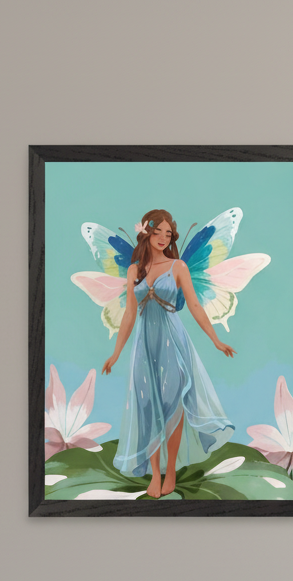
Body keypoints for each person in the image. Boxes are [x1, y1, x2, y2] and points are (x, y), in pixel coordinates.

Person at [102, 209, 235, 498]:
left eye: (168, 233)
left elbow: (196, 307)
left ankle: (171, 469)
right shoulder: (134, 270)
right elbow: (128, 314)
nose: (163, 237)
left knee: (172, 403)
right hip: (143, 344)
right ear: (146, 233)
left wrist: (215, 340)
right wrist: (115, 353)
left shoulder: (179, 267)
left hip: (173, 341)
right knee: (147, 404)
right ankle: (155, 473)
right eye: (157, 231)